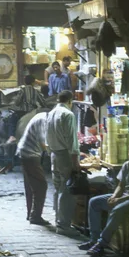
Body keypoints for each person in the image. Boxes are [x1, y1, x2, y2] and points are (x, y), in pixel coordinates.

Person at [82, 141, 129, 257]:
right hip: (123, 196)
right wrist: (114, 196)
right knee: (94, 202)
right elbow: (121, 185)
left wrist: (119, 200)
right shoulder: (126, 165)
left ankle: (101, 244)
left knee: (118, 209)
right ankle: (93, 240)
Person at [46, 90, 80, 235]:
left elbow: (47, 137)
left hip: (53, 154)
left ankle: (58, 221)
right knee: (67, 191)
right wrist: (75, 163)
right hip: (64, 156)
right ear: (70, 101)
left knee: (58, 188)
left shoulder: (51, 113)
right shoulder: (68, 114)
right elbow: (71, 141)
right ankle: (64, 225)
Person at [16, 111, 50, 226]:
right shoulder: (43, 120)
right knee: (41, 185)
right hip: (30, 154)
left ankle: (30, 213)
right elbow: (42, 141)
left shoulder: (40, 117)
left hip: (25, 151)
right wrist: (52, 152)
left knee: (31, 185)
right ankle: (35, 216)